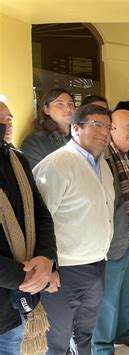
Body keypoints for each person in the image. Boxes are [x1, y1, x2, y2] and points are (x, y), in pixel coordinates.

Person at [33, 104, 115, 354]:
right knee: (56, 340)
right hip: (65, 272)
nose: (104, 132)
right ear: (75, 129)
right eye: (96, 125)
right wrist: (50, 267)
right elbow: (38, 221)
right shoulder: (58, 164)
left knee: (84, 333)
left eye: (108, 127)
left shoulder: (103, 165)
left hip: (97, 265)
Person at [92, 110, 129, 353]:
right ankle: (102, 345)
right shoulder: (101, 156)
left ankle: (124, 332)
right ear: (111, 128)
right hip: (114, 239)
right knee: (108, 296)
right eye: (128, 126)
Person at [0, 111, 58, 355]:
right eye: (0, 118)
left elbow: (40, 214)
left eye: (9, 116)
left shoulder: (16, 159)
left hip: (17, 306)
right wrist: (26, 277)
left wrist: (46, 260)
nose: (7, 123)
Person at [21, 88, 75, 168]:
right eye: (60, 104)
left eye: (70, 104)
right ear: (46, 110)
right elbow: (34, 175)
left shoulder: (80, 136)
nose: (68, 109)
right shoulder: (35, 142)